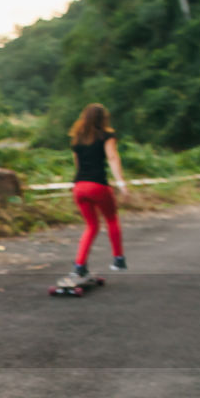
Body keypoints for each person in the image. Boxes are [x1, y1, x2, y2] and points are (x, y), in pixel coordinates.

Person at [68, 103, 128, 277]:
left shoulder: (77, 138)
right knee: (111, 219)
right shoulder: (107, 135)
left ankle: (79, 265)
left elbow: (77, 164)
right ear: (103, 118)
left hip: (79, 187)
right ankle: (118, 259)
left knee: (91, 226)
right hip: (98, 186)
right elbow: (112, 157)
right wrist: (121, 182)